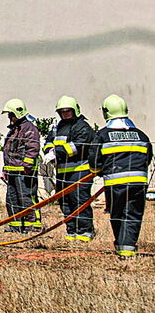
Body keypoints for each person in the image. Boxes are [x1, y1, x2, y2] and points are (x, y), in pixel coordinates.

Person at [88, 94, 152, 259]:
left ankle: (122, 247)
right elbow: (147, 158)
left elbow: (94, 161)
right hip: (139, 182)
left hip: (115, 183)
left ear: (106, 112)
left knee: (117, 213)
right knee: (133, 214)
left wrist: (98, 172)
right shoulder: (142, 135)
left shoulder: (102, 135)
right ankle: (128, 247)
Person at [42, 95, 96, 241]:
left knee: (79, 200)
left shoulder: (82, 127)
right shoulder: (57, 127)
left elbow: (76, 146)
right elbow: (48, 142)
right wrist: (48, 151)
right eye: (62, 111)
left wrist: (56, 152)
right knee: (65, 202)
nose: (65, 114)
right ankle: (71, 230)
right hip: (62, 172)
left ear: (75, 110)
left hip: (79, 171)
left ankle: (85, 231)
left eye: (68, 111)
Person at [1, 99, 42, 232]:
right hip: (12, 170)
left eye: (11, 115)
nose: (9, 118)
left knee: (26, 198)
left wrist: (27, 166)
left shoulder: (29, 129)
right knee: (12, 199)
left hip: (24, 172)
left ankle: (33, 226)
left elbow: (32, 148)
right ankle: (15, 226)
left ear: (18, 113)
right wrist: (5, 168)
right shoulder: (14, 129)